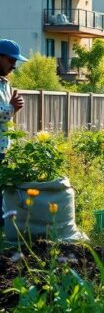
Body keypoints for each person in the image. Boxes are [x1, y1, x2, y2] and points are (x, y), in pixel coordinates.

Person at [0, 39, 27, 231]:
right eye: (11, 61)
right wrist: (12, 108)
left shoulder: (4, 83)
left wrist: (12, 108)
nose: (14, 66)